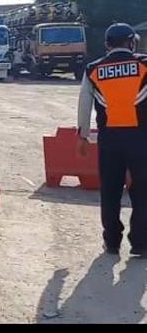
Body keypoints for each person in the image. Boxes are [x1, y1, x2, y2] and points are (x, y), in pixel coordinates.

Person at [77, 22, 147, 258]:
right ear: (131, 42)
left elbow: (84, 104)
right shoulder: (144, 64)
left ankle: (112, 242)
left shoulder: (93, 69)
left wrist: (83, 136)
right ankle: (141, 243)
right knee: (143, 191)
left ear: (107, 44)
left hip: (109, 139)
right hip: (141, 138)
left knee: (110, 191)